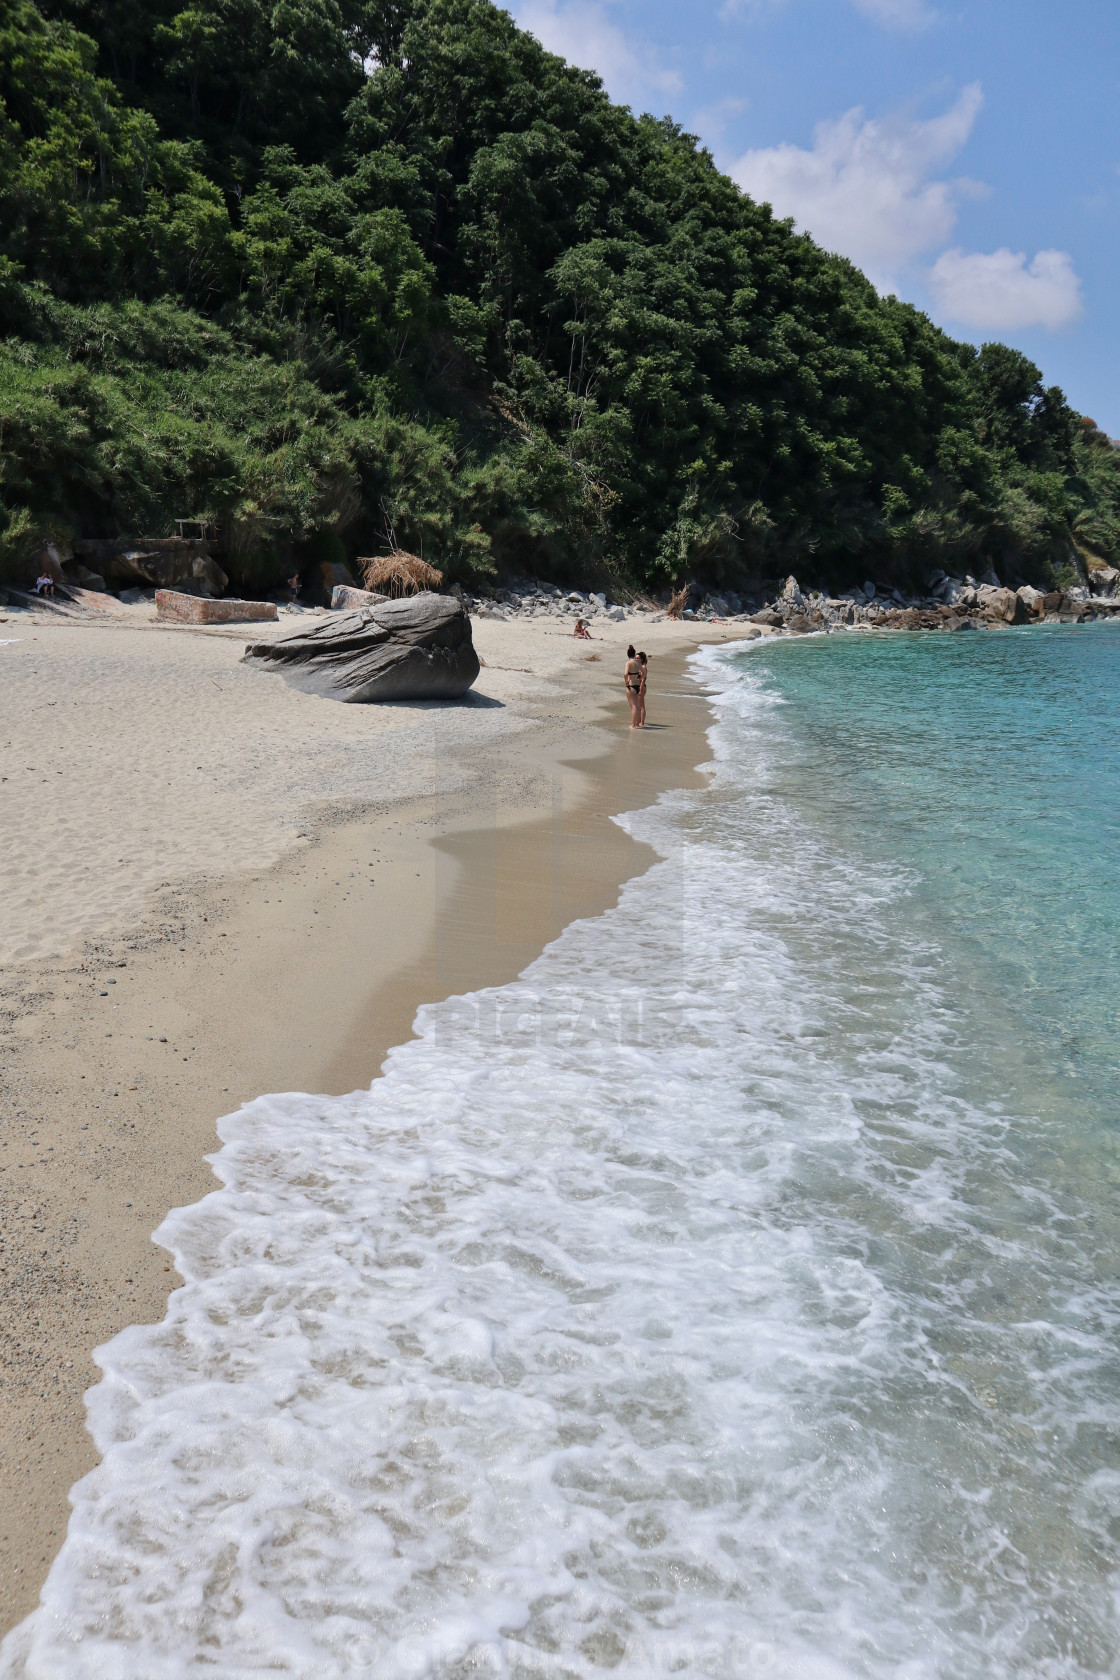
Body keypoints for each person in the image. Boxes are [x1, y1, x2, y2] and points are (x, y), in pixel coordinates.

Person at [624, 644, 643, 728]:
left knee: (633, 705)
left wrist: (626, 682)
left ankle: (633, 724)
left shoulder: (628, 663)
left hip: (631, 685)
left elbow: (625, 673)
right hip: (637, 685)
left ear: (628, 654)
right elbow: (644, 672)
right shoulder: (638, 663)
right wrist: (640, 678)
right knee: (636, 705)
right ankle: (637, 723)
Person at [637, 650, 648, 727]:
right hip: (637, 686)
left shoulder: (643, 667)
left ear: (642, 660)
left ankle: (642, 722)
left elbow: (644, 679)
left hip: (641, 686)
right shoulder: (637, 667)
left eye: (638, 658)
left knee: (641, 706)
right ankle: (639, 720)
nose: (636, 659)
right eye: (635, 658)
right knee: (637, 705)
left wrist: (640, 689)